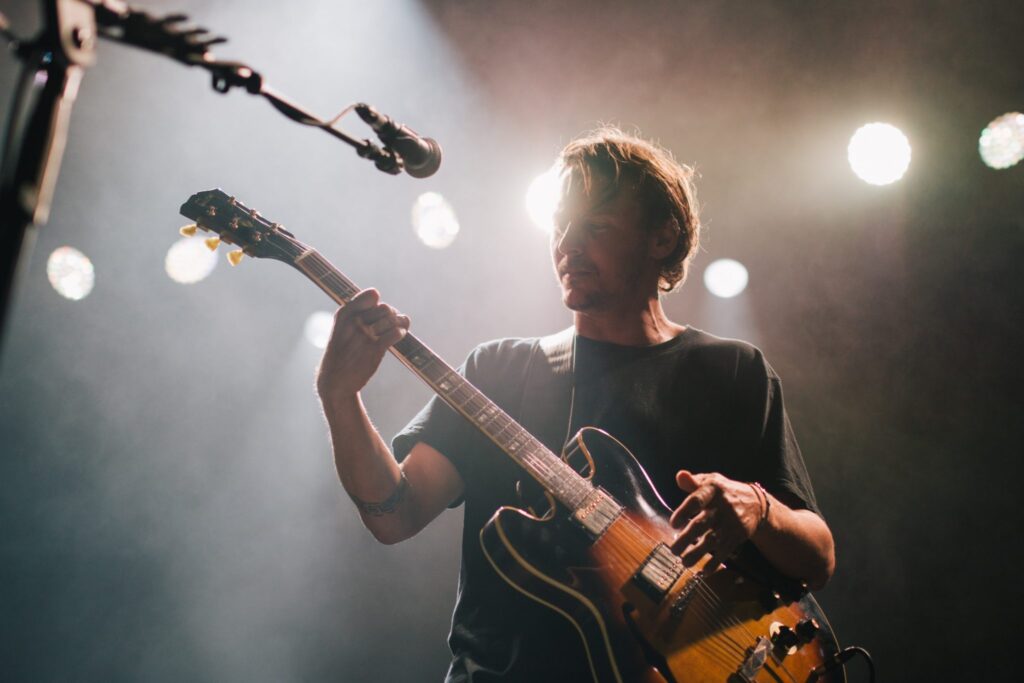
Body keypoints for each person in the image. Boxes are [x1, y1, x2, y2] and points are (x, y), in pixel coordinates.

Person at [316, 128, 836, 682]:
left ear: (662, 237)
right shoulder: (500, 370)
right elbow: (394, 515)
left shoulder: (733, 372)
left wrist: (758, 508)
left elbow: (818, 557)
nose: (568, 244)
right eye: (560, 227)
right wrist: (339, 397)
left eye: (595, 226)